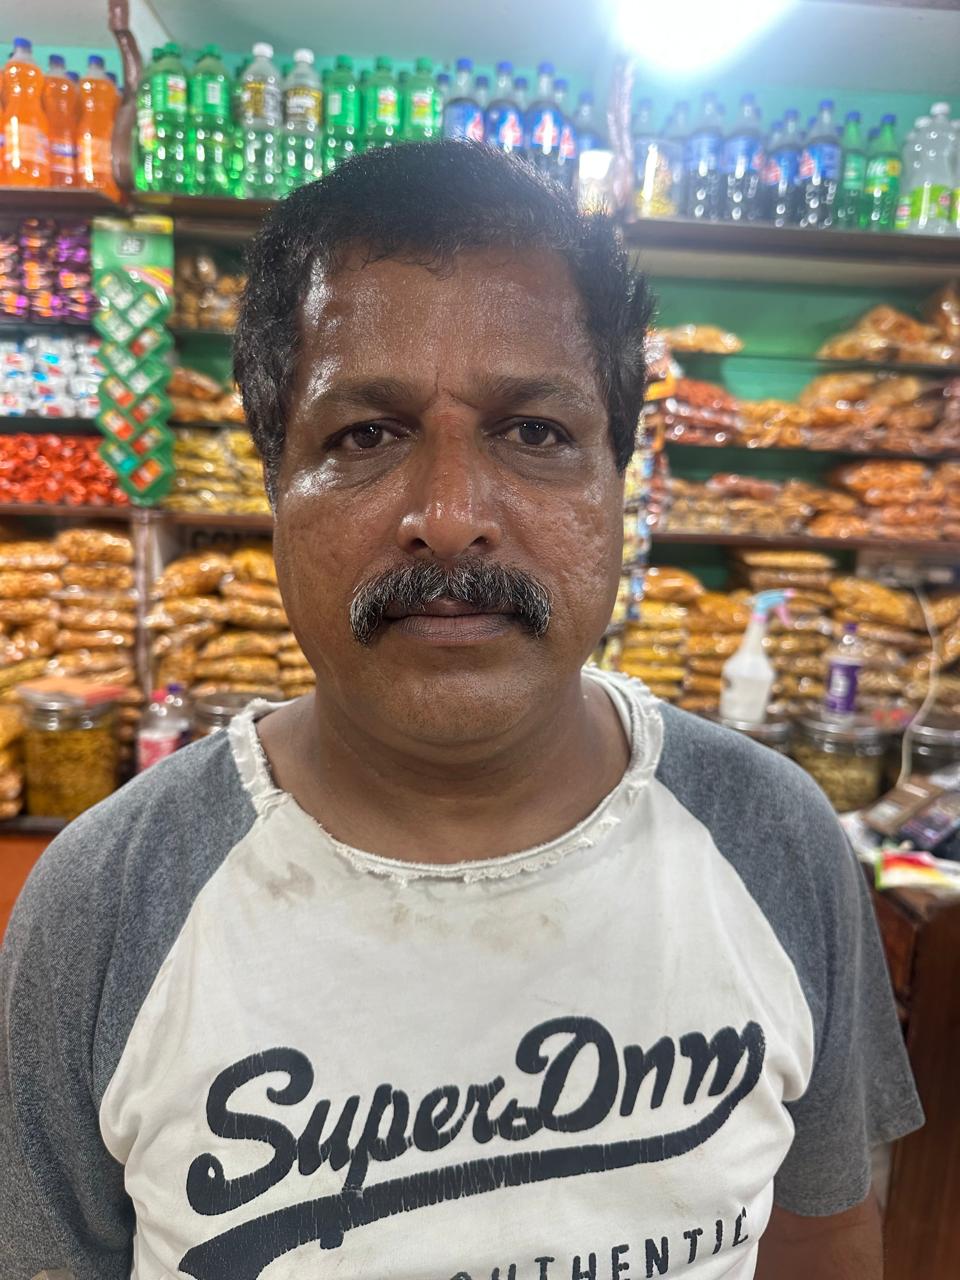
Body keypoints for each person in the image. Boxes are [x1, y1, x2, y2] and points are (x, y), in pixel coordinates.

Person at [1, 141, 920, 1280]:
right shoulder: (105, 900)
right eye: (364, 435)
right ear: (273, 484)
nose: (448, 515)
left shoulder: (776, 838)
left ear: (616, 487)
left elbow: (823, 1235)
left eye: (535, 432)